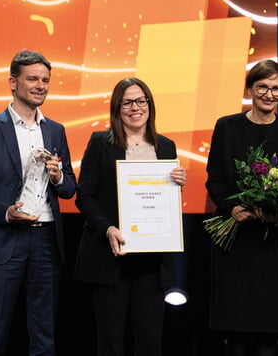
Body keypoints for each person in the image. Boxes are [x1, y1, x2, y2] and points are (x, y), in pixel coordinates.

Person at [0, 49, 77, 356]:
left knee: (45, 334)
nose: (40, 85)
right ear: (13, 82)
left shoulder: (55, 129)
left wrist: (59, 178)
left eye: (45, 80)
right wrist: (4, 213)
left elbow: (69, 188)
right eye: (33, 79)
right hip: (3, 238)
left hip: (46, 241)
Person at [73, 77, 187, 356]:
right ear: (117, 108)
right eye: (127, 102)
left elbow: (164, 201)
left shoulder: (166, 147)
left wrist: (176, 182)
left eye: (140, 101)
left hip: (151, 261)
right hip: (111, 257)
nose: (135, 108)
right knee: (110, 343)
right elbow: (84, 196)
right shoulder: (100, 142)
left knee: (150, 342)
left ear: (149, 104)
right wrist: (108, 228)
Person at [205, 59, 278, 356]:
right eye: (262, 86)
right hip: (235, 240)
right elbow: (215, 180)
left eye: (276, 88)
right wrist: (233, 208)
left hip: (274, 243)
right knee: (235, 335)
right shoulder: (227, 126)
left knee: (268, 336)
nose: (269, 94)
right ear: (250, 88)